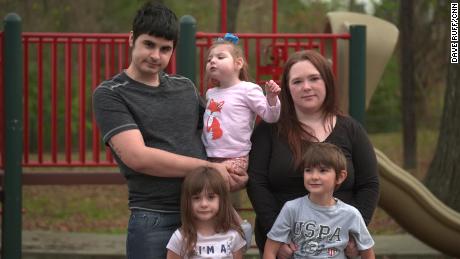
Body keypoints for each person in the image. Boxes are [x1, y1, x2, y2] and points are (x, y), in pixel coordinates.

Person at [92, 2, 245, 258]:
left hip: (207, 214)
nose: (156, 55)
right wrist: (207, 169)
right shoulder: (110, 94)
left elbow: (214, 135)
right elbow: (138, 158)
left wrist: (231, 170)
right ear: (132, 39)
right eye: (149, 44)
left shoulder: (184, 87)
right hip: (155, 217)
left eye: (165, 49)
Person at [246, 50, 379, 258]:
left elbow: (369, 184)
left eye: (314, 78)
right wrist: (278, 237)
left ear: (326, 81)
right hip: (285, 248)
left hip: (338, 248)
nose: (306, 87)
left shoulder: (351, 130)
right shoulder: (269, 130)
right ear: (287, 89)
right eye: (297, 82)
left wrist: (353, 236)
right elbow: (256, 183)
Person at [263, 142, 375, 259]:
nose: (314, 176)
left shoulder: (351, 214)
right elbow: (270, 250)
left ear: (340, 176)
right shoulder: (291, 209)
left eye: (322, 170)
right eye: (308, 170)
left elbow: (367, 251)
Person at [202, 32, 281, 183]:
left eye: (220, 57)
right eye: (209, 59)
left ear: (238, 63)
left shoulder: (247, 90)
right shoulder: (210, 93)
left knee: (212, 185)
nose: (212, 61)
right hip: (208, 155)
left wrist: (271, 98)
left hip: (235, 157)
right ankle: (227, 208)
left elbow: (271, 117)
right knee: (204, 190)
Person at [166, 167, 247, 258]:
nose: (204, 204)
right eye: (196, 198)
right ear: (187, 201)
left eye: (211, 197)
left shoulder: (234, 236)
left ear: (222, 200)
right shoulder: (180, 238)